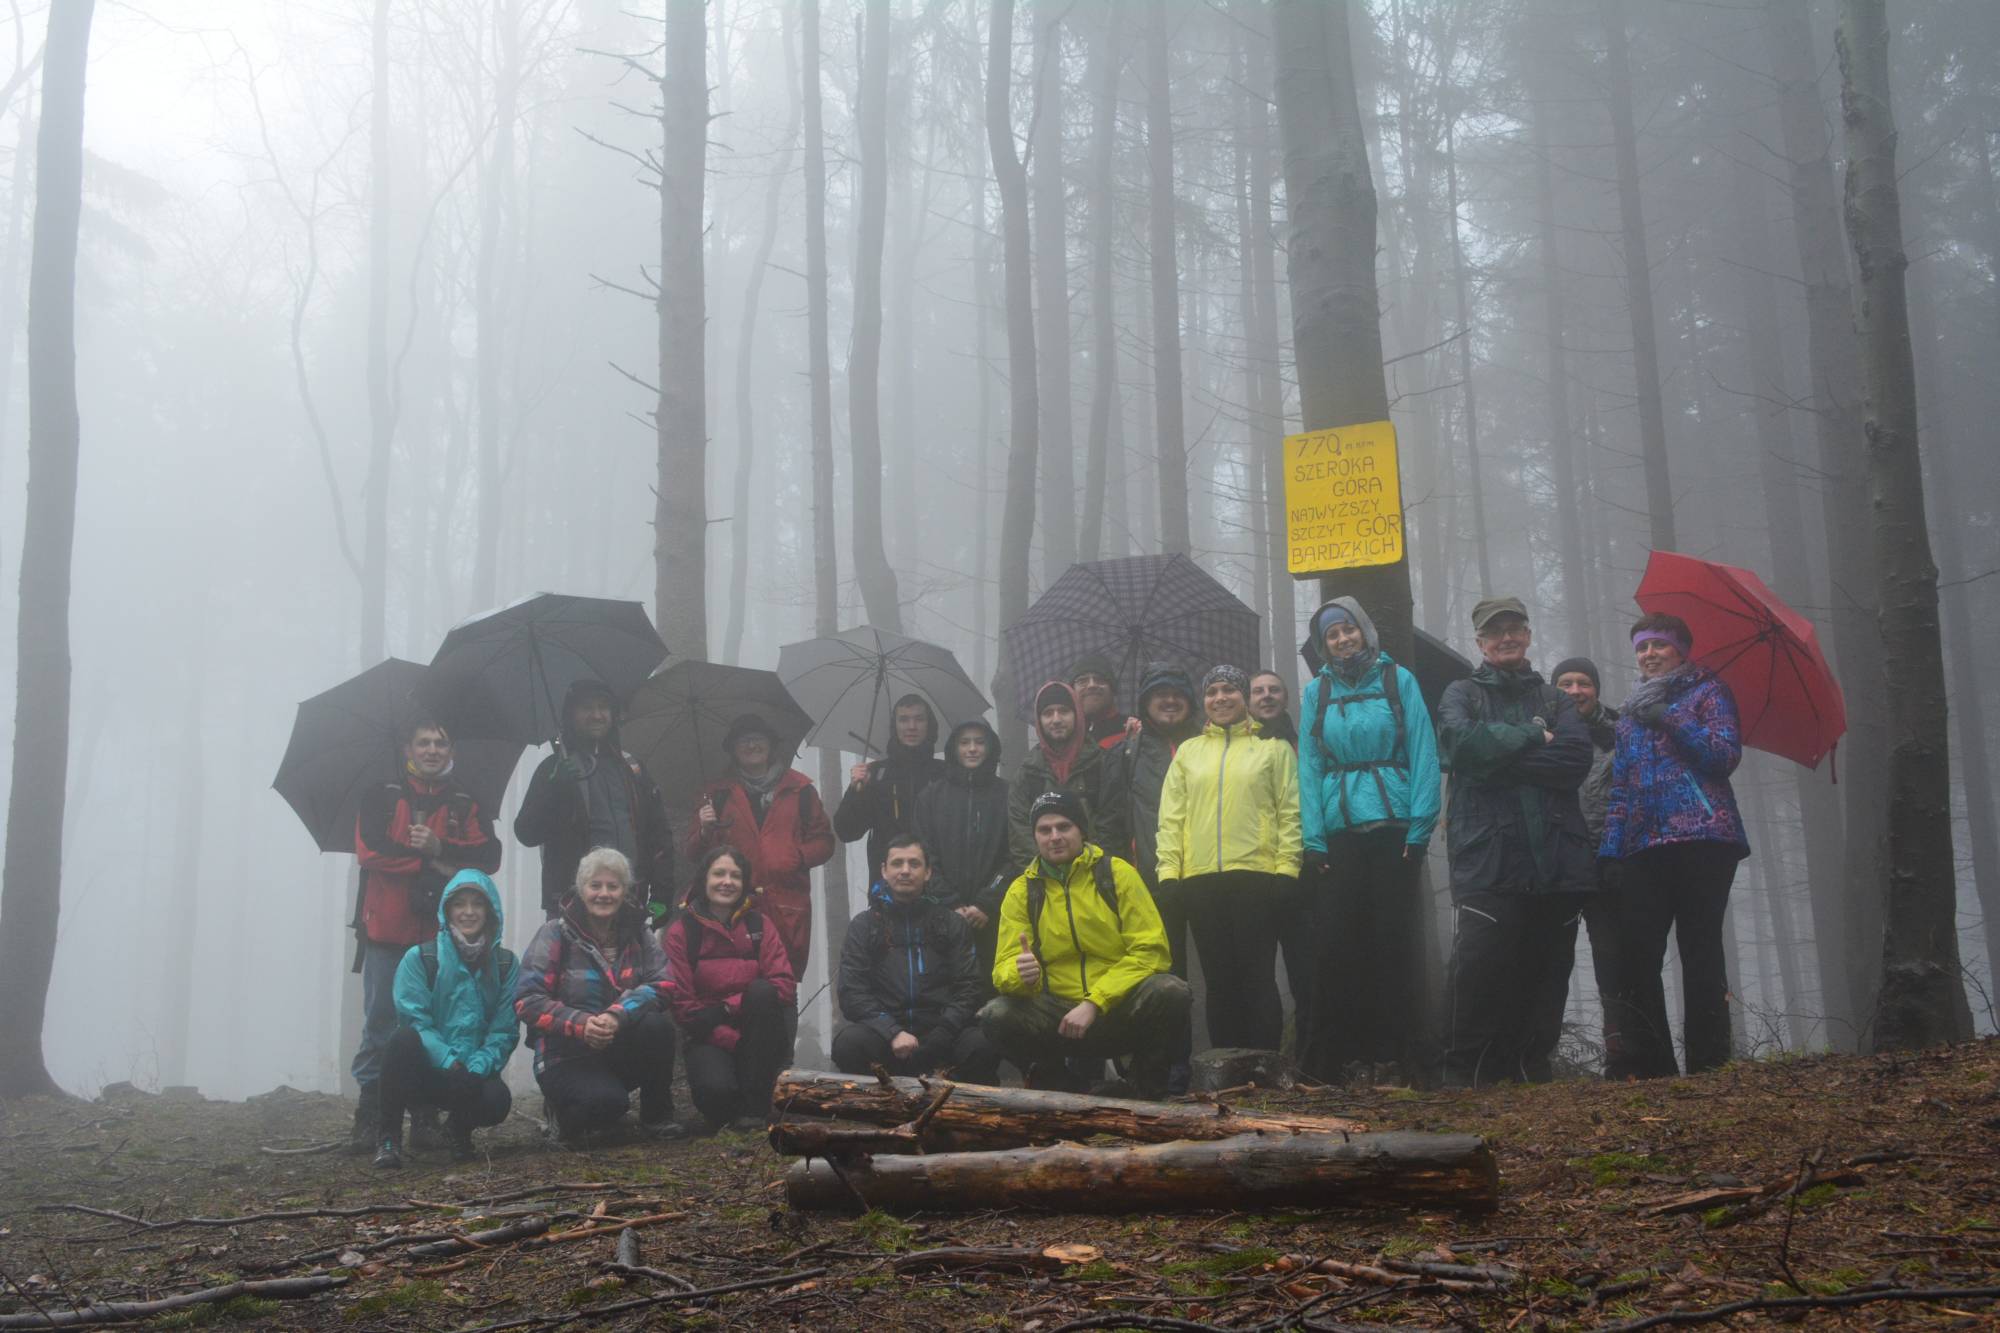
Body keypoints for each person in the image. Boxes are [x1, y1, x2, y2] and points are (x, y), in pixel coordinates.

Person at [1434, 596, 1595, 1087]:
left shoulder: (1555, 699)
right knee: (1479, 966)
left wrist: (1494, 755)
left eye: (1514, 629)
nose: (1505, 637)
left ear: (1527, 636)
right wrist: (1531, 735)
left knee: (1548, 967)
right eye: (1494, 631)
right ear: (1480, 642)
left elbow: (1573, 762)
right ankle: (1465, 1073)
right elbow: (1460, 747)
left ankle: (1531, 1068)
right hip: (1487, 856)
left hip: (1556, 857)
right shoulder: (1460, 693)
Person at [1296, 598, 1441, 1082]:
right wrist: (1313, 838)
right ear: (1323, 645)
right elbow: (1310, 768)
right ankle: (1337, 1060)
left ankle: (1403, 1058)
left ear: (1364, 630)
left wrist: (1421, 827)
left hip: (1394, 828)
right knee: (1338, 945)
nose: (1341, 640)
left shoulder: (1398, 680)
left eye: (1347, 630)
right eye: (1331, 636)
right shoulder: (1316, 692)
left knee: (1394, 943)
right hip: (1340, 832)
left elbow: (1423, 750)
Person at [1599, 614, 1749, 1079]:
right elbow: (1621, 786)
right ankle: (1655, 1069)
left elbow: (1723, 756)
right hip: (1644, 846)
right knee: (1637, 955)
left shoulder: (1709, 692)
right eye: (1642, 647)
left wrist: (1670, 715)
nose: (1648, 655)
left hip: (1706, 839)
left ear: (1681, 650)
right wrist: (1610, 849)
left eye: (1659, 646)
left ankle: (1710, 1065)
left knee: (1700, 950)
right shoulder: (1628, 715)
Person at [350, 718, 501, 1149]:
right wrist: (427, 861)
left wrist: (440, 850)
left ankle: (425, 1115)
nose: (432, 750)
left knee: (437, 1023)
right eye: (424, 742)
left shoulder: (465, 802)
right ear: (407, 749)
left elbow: (488, 858)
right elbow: (370, 852)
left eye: (441, 742)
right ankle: (372, 1114)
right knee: (381, 1020)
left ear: (451, 750)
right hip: (385, 929)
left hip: (441, 937)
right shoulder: (381, 795)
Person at [981, 792, 1190, 1096]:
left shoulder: (1117, 874)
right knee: (995, 1015)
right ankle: (1061, 1087)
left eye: (1064, 827)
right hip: (1058, 1016)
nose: (1054, 837)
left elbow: (1152, 951)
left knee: (1171, 991)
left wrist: (1095, 1002)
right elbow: (1003, 969)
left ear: (1081, 830)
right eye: (1044, 829)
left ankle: (1145, 1087)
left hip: (1117, 1008)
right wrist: (1020, 975)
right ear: (1035, 837)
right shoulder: (1022, 890)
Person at [1154, 665, 1301, 1054]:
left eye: (1229, 691)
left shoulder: (1274, 748)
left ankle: (1265, 1065)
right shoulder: (1188, 752)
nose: (1220, 698)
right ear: (1204, 701)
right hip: (1200, 881)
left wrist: (1287, 869)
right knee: (1218, 980)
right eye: (1212, 691)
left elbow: (1290, 811)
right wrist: (1169, 874)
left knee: (1257, 976)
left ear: (1244, 698)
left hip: (1256, 877)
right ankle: (1226, 1069)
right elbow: (1171, 817)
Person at [515, 848, 684, 1142]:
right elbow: (527, 999)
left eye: (613, 886)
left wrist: (617, 1015)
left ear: (624, 891)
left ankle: (657, 1116)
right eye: (595, 885)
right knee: (608, 1107)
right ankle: (560, 1111)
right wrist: (581, 1024)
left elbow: (665, 983)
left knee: (657, 1026)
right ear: (581, 889)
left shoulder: (639, 934)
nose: (603, 894)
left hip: (617, 1045)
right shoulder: (554, 933)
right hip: (563, 1055)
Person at [373, 870, 518, 1168]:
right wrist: (448, 1061)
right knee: (401, 1040)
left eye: (477, 904)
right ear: (446, 910)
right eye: (459, 904)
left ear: (490, 911)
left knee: (497, 1100)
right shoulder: (421, 958)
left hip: (473, 1073)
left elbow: (504, 1029)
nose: (468, 912)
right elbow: (414, 1019)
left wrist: (476, 1068)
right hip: (427, 1071)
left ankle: (458, 1130)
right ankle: (388, 1139)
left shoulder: (505, 964)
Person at [833, 835, 1001, 1081]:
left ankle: (959, 1112)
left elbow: (970, 987)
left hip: (943, 1033)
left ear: (928, 872)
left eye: (914, 864)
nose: (905, 871)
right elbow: (851, 992)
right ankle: (877, 1110)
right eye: (897, 863)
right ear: (884, 871)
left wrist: (940, 1035)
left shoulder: (951, 923)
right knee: (849, 1043)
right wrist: (892, 1032)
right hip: (886, 1037)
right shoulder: (865, 925)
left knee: (982, 1044)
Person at [1105, 662, 1201, 1091]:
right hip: (1150, 879)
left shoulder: (1207, 743)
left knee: (1220, 969)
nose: (1168, 700)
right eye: (1159, 693)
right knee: (1166, 976)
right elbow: (1108, 818)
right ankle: (1169, 1067)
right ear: (1144, 702)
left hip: (1206, 874)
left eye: (1177, 692)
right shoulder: (1128, 750)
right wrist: (1113, 873)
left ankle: (1232, 1061)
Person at [682, 713, 836, 977]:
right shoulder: (716, 794)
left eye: (757, 739)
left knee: (783, 984)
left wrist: (797, 856)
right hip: (732, 907)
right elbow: (693, 852)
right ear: (732, 750)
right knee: (735, 981)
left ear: (771, 744)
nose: (751, 746)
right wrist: (705, 830)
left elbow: (824, 841)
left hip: (786, 905)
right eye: (743, 741)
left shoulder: (800, 789)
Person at [515, 679, 676, 920]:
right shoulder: (552, 769)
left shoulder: (632, 768)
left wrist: (662, 895)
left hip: (629, 901)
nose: (597, 715)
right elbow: (527, 833)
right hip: (572, 906)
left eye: (603, 707)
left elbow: (659, 833)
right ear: (571, 714)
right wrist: (553, 789)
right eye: (587, 708)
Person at [664, 846, 798, 1133]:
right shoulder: (681, 932)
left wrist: (727, 1007)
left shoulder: (760, 924)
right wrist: (730, 1039)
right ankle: (732, 1103)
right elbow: (682, 1005)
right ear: (703, 880)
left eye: (735, 875)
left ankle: (755, 1109)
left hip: (760, 1031)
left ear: (744, 883)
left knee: (762, 992)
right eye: (719, 873)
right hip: (708, 1035)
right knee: (717, 1097)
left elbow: (783, 986)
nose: (727, 881)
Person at [1551, 655, 1626, 1073]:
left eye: (1583, 683)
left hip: (1605, 860)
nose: (1575, 691)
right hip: (1557, 865)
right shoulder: (1542, 731)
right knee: (1552, 960)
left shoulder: (1619, 734)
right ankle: (1543, 1052)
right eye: (1565, 684)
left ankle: (1620, 1049)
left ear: (1596, 689)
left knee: (1612, 958)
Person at [911, 720, 1012, 981]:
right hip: (941, 915)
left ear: (990, 748)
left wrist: (986, 902)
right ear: (953, 748)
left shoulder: (1007, 794)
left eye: (979, 742)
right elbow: (924, 854)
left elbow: (1015, 855)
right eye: (964, 742)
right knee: (946, 988)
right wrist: (951, 903)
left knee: (991, 989)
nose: (972, 749)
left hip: (994, 916)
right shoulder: (931, 796)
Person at [1007, 681, 1127, 873]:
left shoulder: (1102, 764)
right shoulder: (1027, 773)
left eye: (1063, 711)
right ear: (1039, 720)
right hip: (1046, 883)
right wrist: (1047, 875)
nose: (1056, 719)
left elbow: (1112, 827)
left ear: (1077, 715)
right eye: (1047, 713)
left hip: (1097, 879)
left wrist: (1092, 874)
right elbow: (1020, 835)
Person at [833, 693, 947, 880]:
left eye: (919, 719)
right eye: (903, 719)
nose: (911, 726)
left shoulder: (945, 774)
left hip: (937, 888)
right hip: (886, 889)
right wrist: (855, 791)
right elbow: (847, 831)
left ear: (930, 725)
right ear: (895, 726)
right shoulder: (876, 774)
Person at [1069, 656, 1132, 749]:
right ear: (1072, 691)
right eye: (1082, 681)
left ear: (1112, 689)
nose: (1091, 685)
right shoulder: (1068, 737)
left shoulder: (1133, 731)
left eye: (1099, 679)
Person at [1249, 671, 1297, 750]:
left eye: (1274, 690)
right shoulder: (1233, 744)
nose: (1267, 695)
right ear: (1247, 702)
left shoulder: (1304, 749)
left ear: (1286, 700)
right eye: (1258, 691)